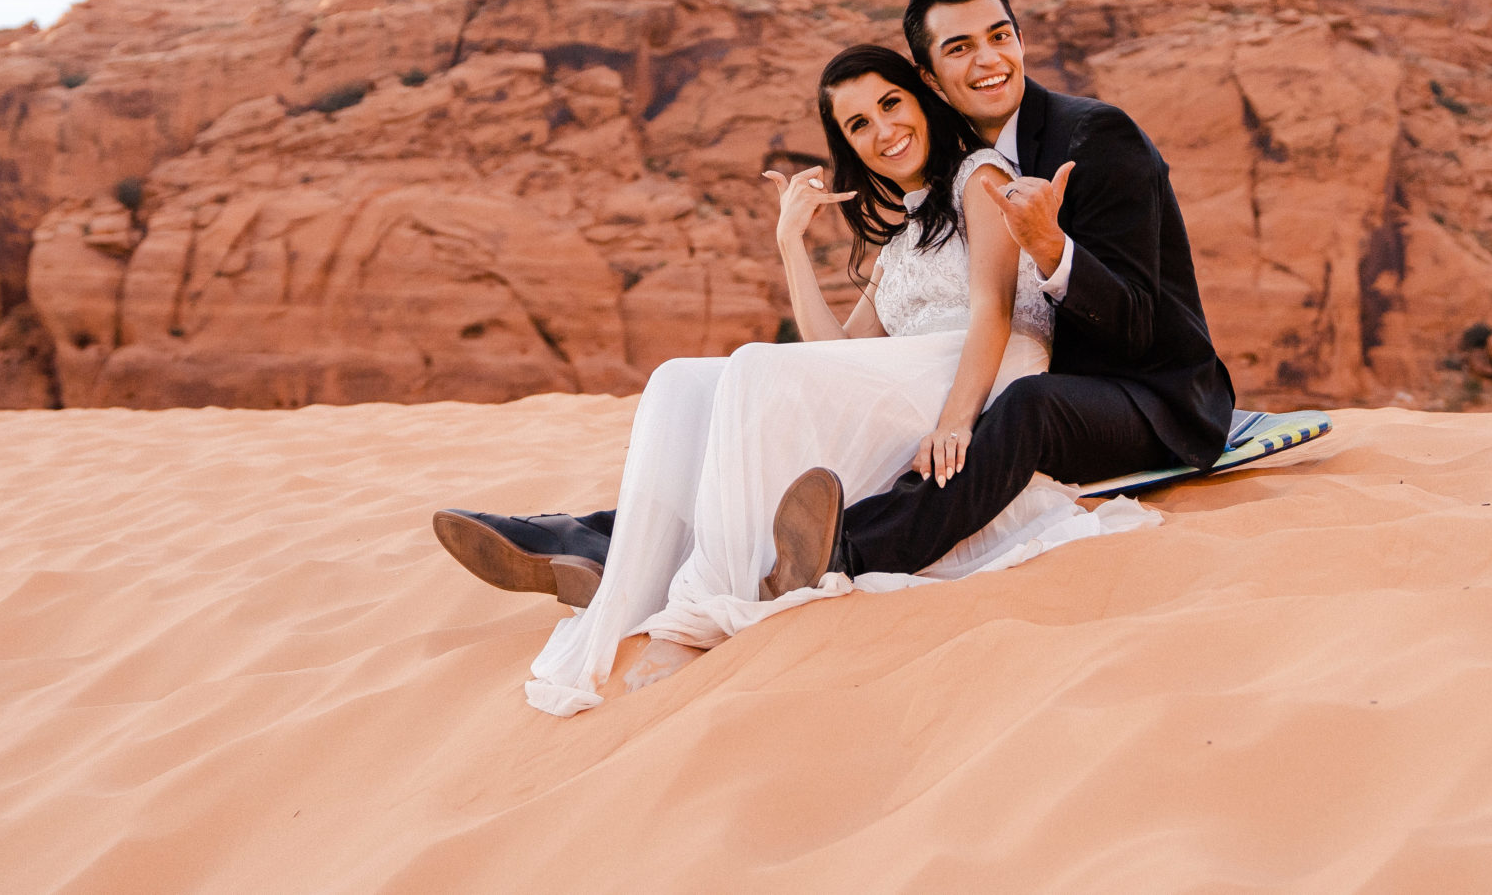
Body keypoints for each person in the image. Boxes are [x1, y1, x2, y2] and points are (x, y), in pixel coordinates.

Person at [462, 42, 1152, 716]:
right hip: (906, 382)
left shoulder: (980, 175)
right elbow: (836, 351)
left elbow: (992, 311)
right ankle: (639, 557)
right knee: (681, 380)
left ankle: (693, 613)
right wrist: (791, 243)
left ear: (922, 99)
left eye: (891, 104)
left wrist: (957, 419)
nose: (883, 130)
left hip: (974, 378)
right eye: (859, 124)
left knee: (758, 373)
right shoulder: (902, 238)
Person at [757, 0, 1236, 588]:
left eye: (1000, 36)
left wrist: (1052, 249)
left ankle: (848, 553)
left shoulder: (1094, 136)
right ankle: (614, 536)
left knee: (1025, 405)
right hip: (1023, 391)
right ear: (930, 77)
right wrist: (790, 242)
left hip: (1147, 397)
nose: (990, 60)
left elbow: (1140, 326)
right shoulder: (942, 183)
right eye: (960, 48)